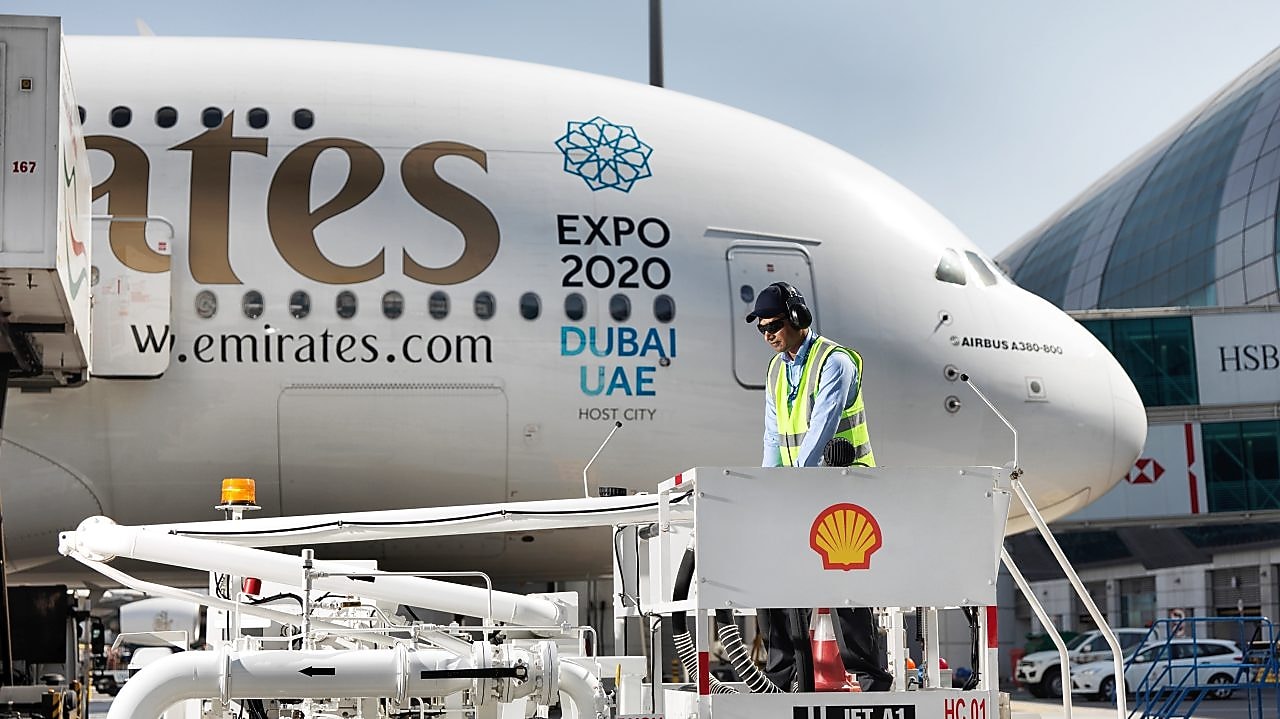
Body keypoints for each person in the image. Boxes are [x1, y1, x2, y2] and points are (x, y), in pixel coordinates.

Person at [747, 282, 890, 691]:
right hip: (800, 489)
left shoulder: (835, 362)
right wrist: (767, 487)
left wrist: (793, 484)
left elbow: (821, 431)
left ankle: (869, 677)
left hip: (847, 488)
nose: (768, 334)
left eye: (774, 325)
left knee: (845, 583)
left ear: (797, 319)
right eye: (761, 329)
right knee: (776, 578)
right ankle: (783, 679)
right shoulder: (777, 369)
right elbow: (773, 438)